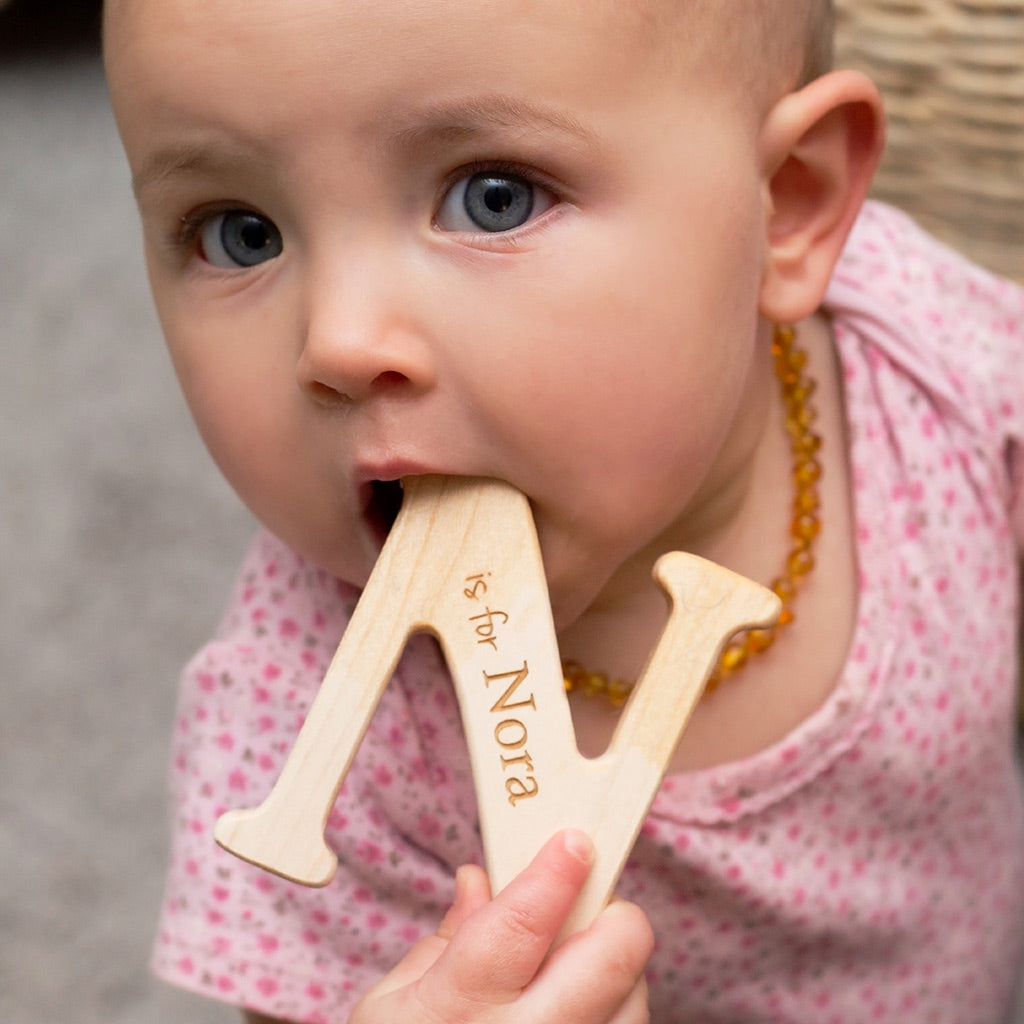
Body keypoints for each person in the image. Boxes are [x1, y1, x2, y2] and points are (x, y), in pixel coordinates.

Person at [102, 0, 1024, 1020]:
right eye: (240, 234)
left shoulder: (922, 357)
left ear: (785, 204)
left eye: (492, 198)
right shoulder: (303, 739)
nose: (340, 340)